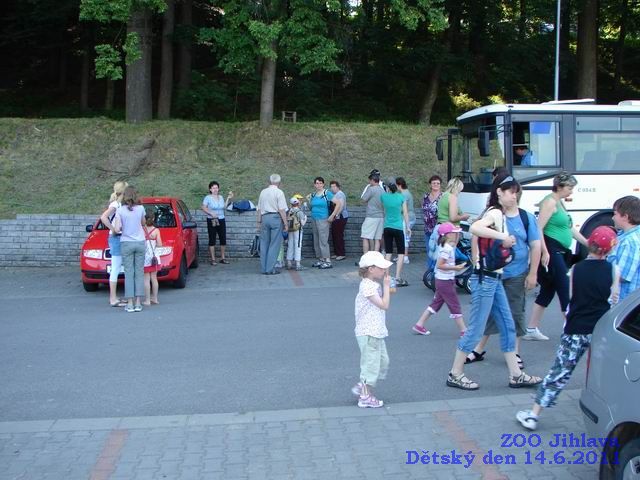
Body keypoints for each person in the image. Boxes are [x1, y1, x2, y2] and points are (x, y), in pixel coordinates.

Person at [516, 226, 620, 430]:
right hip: (601, 330)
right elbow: (613, 297)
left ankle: (533, 415)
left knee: (560, 371)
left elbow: (571, 299)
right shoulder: (613, 270)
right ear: (608, 250)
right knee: (607, 373)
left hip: (576, 329)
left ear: (590, 244)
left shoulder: (576, 270)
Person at [445, 175, 542, 391]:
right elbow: (476, 228)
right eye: (511, 191)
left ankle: (515, 374)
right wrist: (502, 238)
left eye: (516, 192)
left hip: (494, 278)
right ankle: (455, 373)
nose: (514, 196)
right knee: (477, 329)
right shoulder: (496, 212)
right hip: (486, 279)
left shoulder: (503, 214)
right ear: (499, 192)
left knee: (508, 326)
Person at [465, 193, 541, 366]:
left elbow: (535, 245)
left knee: (515, 312)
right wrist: (477, 261)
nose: (507, 197)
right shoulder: (494, 214)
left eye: (511, 193)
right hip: (494, 272)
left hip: (516, 273)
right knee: (489, 311)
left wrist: (533, 273)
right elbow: (477, 235)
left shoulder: (525, 217)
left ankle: (515, 353)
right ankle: (478, 349)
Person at [523, 172, 588, 341]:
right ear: (559, 186)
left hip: (559, 250)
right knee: (563, 287)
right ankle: (572, 331)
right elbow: (539, 228)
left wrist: (586, 242)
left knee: (548, 289)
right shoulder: (550, 202)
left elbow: (569, 228)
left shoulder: (558, 202)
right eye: (569, 188)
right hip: (552, 250)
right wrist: (544, 251)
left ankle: (531, 328)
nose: (571, 191)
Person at [352, 251, 393, 408]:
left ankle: (363, 385)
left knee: (382, 362)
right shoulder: (368, 287)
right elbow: (384, 305)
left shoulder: (371, 285)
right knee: (371, 365)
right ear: (371, 269)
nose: (384, 271)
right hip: (369, 332)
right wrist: (387, 287)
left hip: (375, 330)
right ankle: (365, 395)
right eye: (381, 268)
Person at [412, 223, 468, 336]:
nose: (457, 235)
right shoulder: (446, 249)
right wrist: (455, 267)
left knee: (435, 304)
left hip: (443, 281)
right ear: (448, 235)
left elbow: (454, 244)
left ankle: (419, 324)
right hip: (445, 282)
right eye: (454, 233)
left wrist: (456, 235)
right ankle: (464, 331)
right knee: (454, 305)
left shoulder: (447, 246)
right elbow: (439, 265)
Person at [113, 186, 146, 313]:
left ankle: (130, 303)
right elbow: (143, 223)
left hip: (126, 243)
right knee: (139, 273)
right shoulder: (141, 208)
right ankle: (138, 302)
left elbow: (117, 229)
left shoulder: (120, 210)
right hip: (139, 242)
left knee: (129, 273)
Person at [100, 181, 128, 307]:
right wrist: (113, 229)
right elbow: (103, 217)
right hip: (116, 238)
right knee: (116, 268)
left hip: (119, 238)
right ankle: (113, 299)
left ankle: (116, 297)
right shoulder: (116, 204)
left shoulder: (119, 204)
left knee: (118, 268)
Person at [608, 195, 640, 301]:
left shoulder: (630, 242)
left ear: (625, 217)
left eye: (615, 214)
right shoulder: (625, 236)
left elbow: (622, 275)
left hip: (624, 302)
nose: (612, 218)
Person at [380, 179, 410, 288]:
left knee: (388, 252)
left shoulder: (383, 196)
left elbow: (383, 210)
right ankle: (397, 277)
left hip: (387, 226)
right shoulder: (402, 197)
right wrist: (408, 227)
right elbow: (405, 213)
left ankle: (387, 276)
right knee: (401, 253)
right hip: (398, 227)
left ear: (387, 187)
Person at [256, 174, 288, 275]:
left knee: (264, 243)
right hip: (275, 218)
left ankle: (264, 267)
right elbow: (282, 209)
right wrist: (286, 223)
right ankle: (270, 269)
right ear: (279, 182)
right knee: (274, 244)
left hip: (265, 218)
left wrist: (259, 221)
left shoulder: (263, 192)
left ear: (269, 181)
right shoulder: (279, 192)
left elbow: (259, 208)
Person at [308, 177, 339, 269]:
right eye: (317, 183)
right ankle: (320, 259)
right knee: (316, 239)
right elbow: (311, 207)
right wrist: (308, 201)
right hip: (314, 218)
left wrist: (332, 215)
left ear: (323, 184)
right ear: (314, 185)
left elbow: (338, 203)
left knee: (323, 240)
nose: (318, 185)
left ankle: (327, 260)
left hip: (323, 219)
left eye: (320, 183)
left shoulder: (327, 193)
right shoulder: (313, 195)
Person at [201, 181, 233, 265]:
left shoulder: (221, 197)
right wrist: (210, 213)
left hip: (221, 219)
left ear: (218, 189)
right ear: (210, 189)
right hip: (212, 220)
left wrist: (228, 198)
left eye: (216, 188)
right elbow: (203, 207)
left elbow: (224, 207)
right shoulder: (208, 197)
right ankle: (213, 259)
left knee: (223, 238)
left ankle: (223, 258)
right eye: (213, 188)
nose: (215, 189)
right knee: (212, 238)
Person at [358, 171, 386, 262]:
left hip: (371, 216)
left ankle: (365, 258)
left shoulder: (371, 189)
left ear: (373, 180)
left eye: (370, 181)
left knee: (365, 236)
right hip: (381, 217)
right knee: (378, 238)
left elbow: (363, 199)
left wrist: (368, 189)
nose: (369, 182)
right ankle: (375, 257)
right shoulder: (383, 191)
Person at [142, 208, 162, 306]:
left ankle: (147, 300)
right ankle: (155, 298)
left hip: (145, 257)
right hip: (154, 257)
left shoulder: (142, 230)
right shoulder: (156, 230)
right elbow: (160, 244)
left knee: (146, 279)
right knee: (154, 278)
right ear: (153, 218)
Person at [396, 177, 416, 265]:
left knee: (404, 238)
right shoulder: (407, 193)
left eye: (396, 185)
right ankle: (402, 256)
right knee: (404, 237)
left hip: (407, 218)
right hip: (409, 217)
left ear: (399, 185)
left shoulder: (403, 194)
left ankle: (405, 257)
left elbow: (402, 209)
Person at [422, 175, 442, 255]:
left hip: (439, 229)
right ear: (430, 184)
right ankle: (430, 267)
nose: (436, 185)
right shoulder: (426, 196)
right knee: (429, 251)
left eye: (438, 183)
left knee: (438, 251)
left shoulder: (443, 196)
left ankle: (436, 267)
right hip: (428, 229)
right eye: (434, 183)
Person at [286, 196, 308, 271]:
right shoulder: (299, 212)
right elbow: (302, 223)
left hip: (290, 230)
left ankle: (289, 263)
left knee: (290, 245)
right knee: (298, 246)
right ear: (298, 204)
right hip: (297, 230)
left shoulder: (289, 211)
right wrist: (305, 218)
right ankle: (298, 264)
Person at [328, 180, 348, 261]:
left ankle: (341, 254)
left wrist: (336, 215)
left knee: (339, 235)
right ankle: (337, 253)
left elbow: (341, 206)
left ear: (338, 187)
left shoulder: (340, 194)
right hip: (336, 217)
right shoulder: (334, 194)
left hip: (340, 217)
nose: (332, 188)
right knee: (334, 234)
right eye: (331, 186)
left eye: (334, 186)